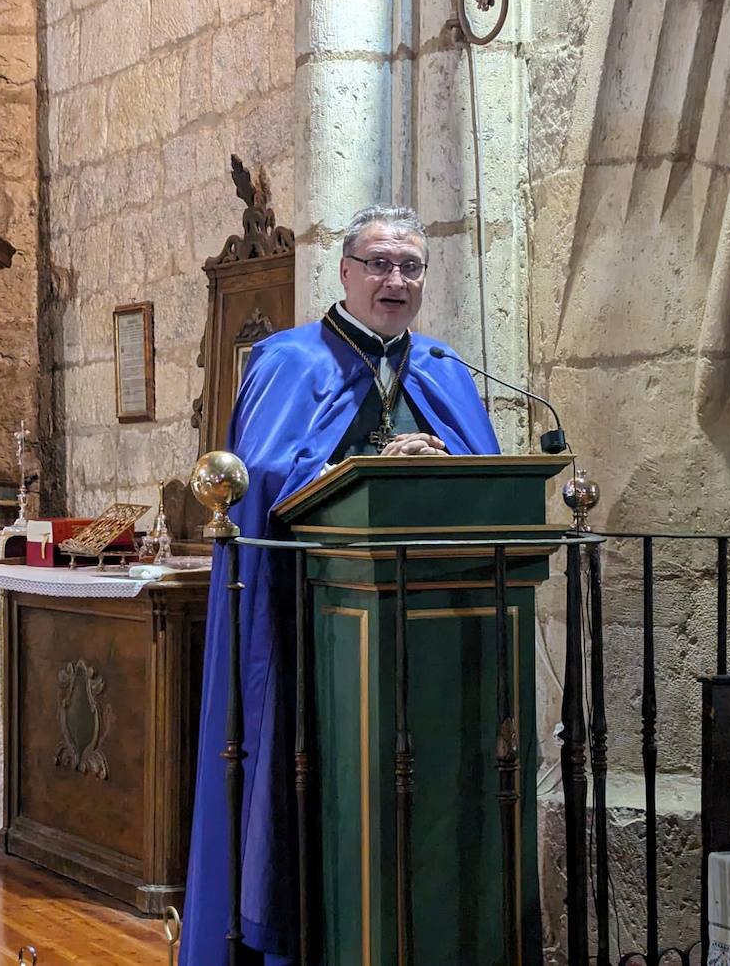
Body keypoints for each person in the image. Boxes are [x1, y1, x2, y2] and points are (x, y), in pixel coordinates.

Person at [180, 205, 500, 966]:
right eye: (381, 263)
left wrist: (440, 460)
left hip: (433, 635)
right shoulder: (289, 362)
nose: (396, 279)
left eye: (410, 266)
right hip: (310, 630)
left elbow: (487, 486)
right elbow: (264, 485)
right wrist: (366, 468)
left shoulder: (446, 372)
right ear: (347, 273)